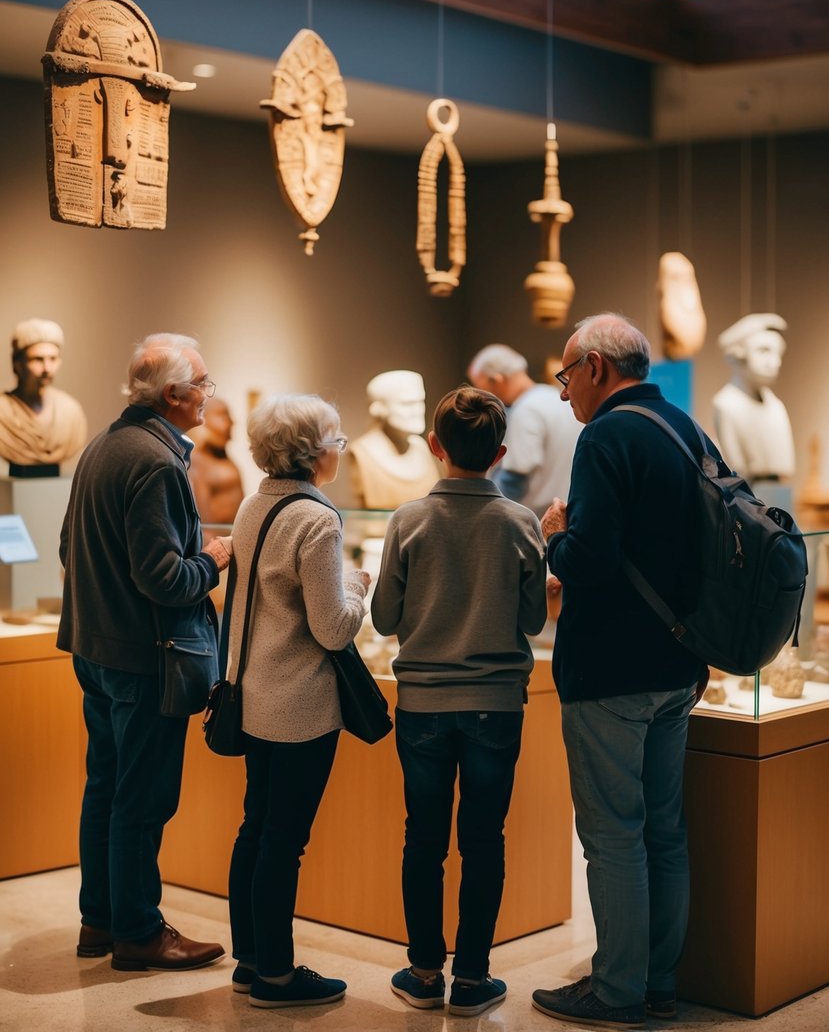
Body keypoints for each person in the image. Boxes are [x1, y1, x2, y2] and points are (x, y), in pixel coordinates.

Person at [530, 313, 711, 1028]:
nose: (565, 389)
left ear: (597, 368)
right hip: (677, 661)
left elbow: (591, 561)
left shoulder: (604, 435)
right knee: (663, 830)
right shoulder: (685, 429)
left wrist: (553, 538)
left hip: (611, 667)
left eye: (566, 374)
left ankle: (615, 990)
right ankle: (656, 980)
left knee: (612, 834)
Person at [57, 333, 232, 971]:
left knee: (105, 787)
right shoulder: (157, 462)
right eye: (204, 385)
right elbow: (166, 578)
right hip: (143, 659)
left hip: (96, 650)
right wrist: (212, 560)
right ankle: (138, 931)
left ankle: (98, 920)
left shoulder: (101, 446)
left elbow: (67, 549)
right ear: (174, 394)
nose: (210, 395)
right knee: (143, 797)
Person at [372, 385, 547, 1018]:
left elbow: (386, 617)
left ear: (433, 446)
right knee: (483, 840)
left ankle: (423, 972)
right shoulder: (520, 522)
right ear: (500, 453)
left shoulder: (407, 520)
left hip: (421, 702)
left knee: (423, 838)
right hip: (496, 704)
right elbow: (531, 620)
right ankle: (472, 978)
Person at [226, 394, 370, 1010]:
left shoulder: (254, 504)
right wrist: (357, 588)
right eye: (336, 439)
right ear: (313, 452)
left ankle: (252, 959)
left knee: (257, 828)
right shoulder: (317, 519)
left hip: (253, 691)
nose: (341, 448)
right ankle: (277, 978)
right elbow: (333, 629)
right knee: (284, 839)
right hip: (299, 703)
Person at [467, 343, 581, 517]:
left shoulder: (526, 410)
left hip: (534, 520)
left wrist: (485, 513)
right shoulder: (555, 397)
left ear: (497, 380)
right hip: (566, 512)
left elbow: (515, 478)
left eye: (482, 390)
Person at [712, 312, 795, 482]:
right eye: (764, 351)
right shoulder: (726, 405)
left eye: (778, 352)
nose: (775, 362)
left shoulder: (776, 406)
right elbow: (737, 467)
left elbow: (786, 464)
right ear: (738, 355)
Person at [0, 317, 87, 476]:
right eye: (38, 359)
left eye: (53, 359)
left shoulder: (71, 411)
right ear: (17, 363)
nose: (47, 368)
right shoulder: (2, 411)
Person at [348, 369, 440, 509]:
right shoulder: (362, 452)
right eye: (407, 404)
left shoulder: (421, 448)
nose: (417, 410)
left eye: (420, 402)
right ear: (378, 409)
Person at [188, 396, 245, 535]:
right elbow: (204, 523)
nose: (232, 422)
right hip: (218, 544)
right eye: (222, 415)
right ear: (204, 419)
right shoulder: (198, 462)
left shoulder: (224, 456)